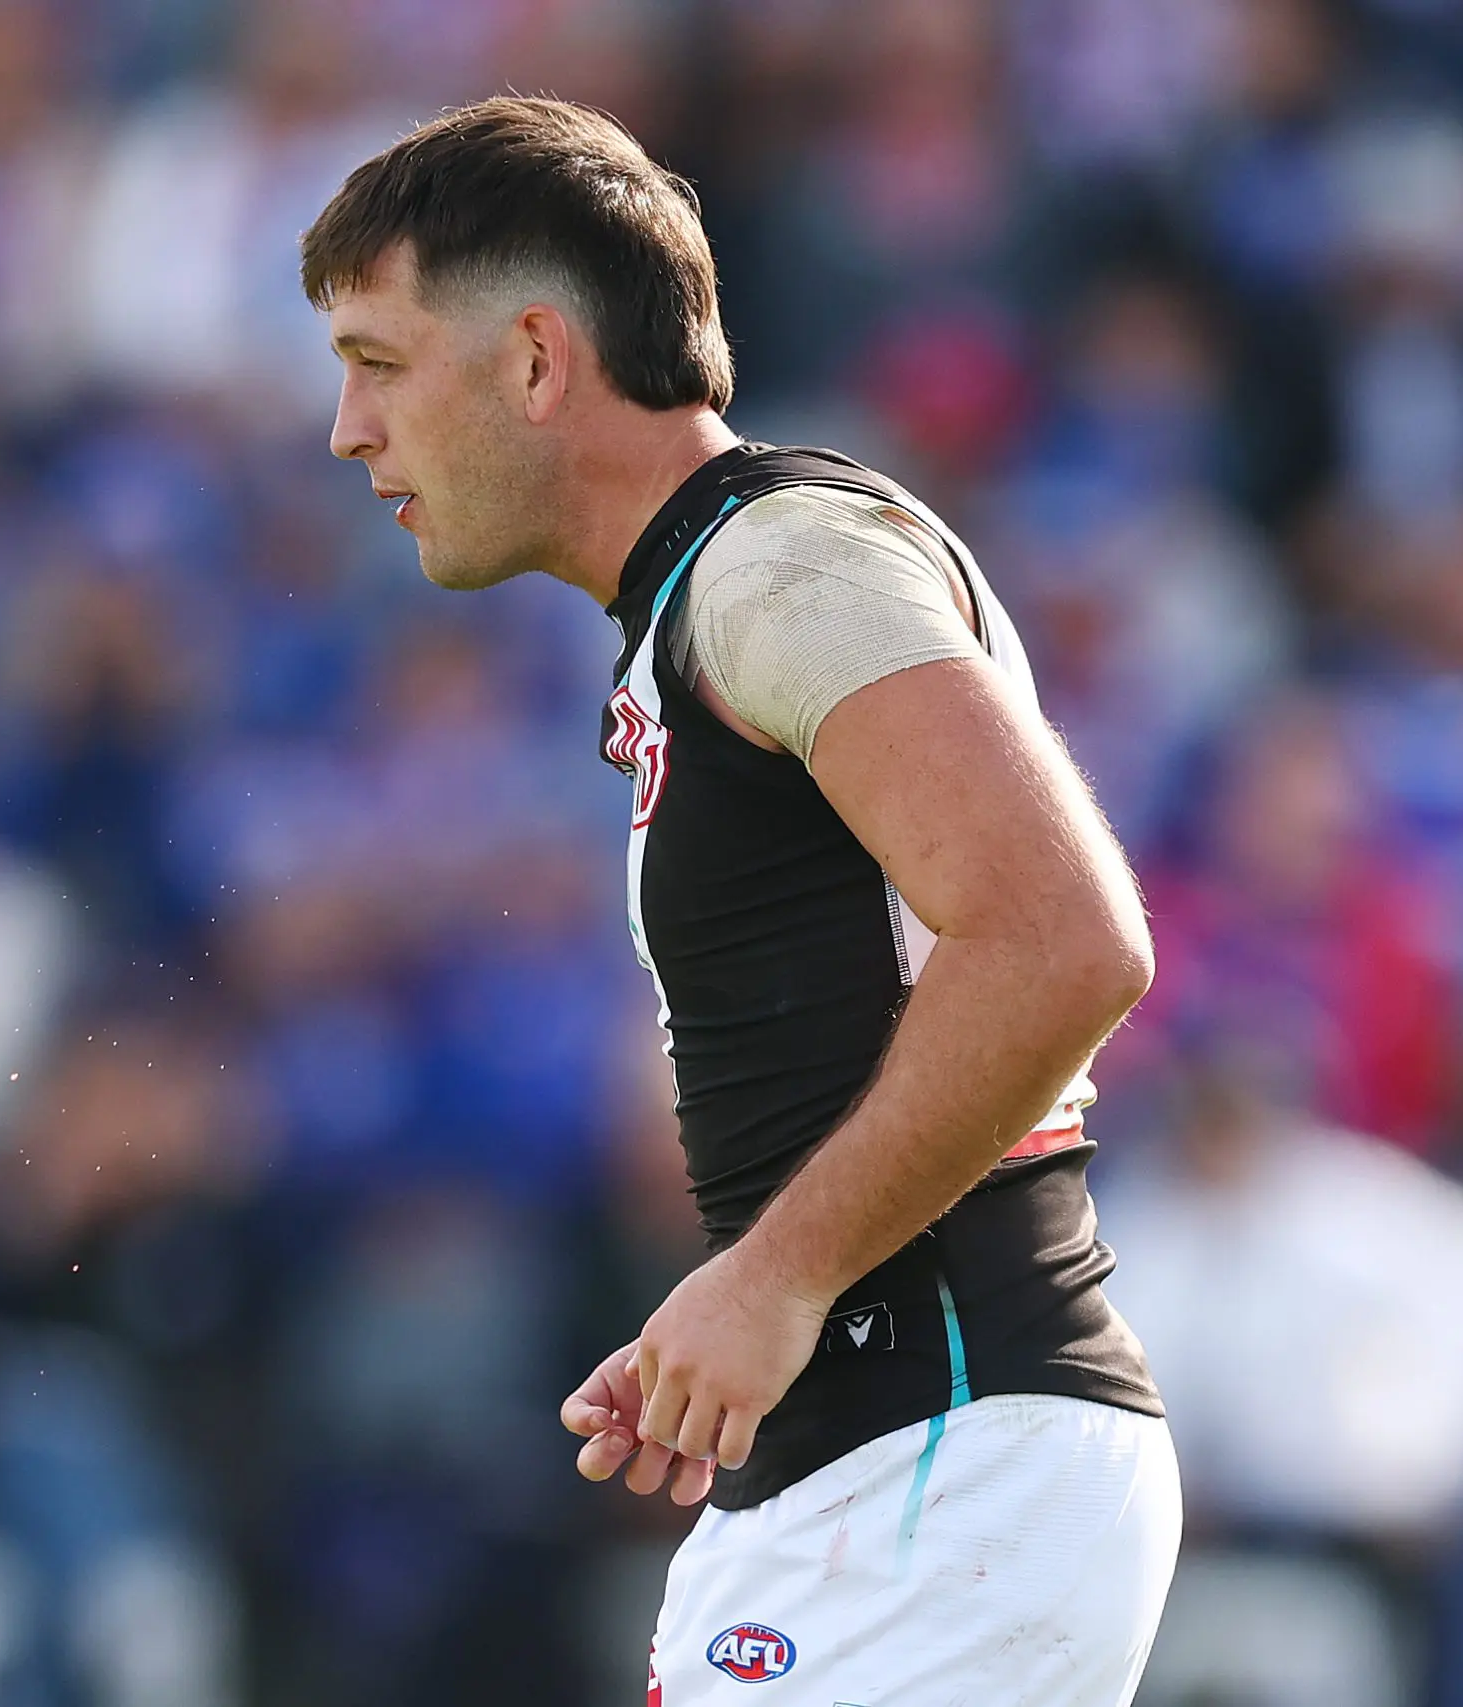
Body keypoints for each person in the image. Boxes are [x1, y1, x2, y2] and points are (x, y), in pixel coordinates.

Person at [301, 98, 1177, 1705]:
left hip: (948, 1459)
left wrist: (776, 1278)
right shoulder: (719, 587)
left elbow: (1066, 939)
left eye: (379, 359)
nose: (350, 428)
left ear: (539, 360)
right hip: (891, 1467)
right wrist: (740, 1297)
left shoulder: (779, 569)